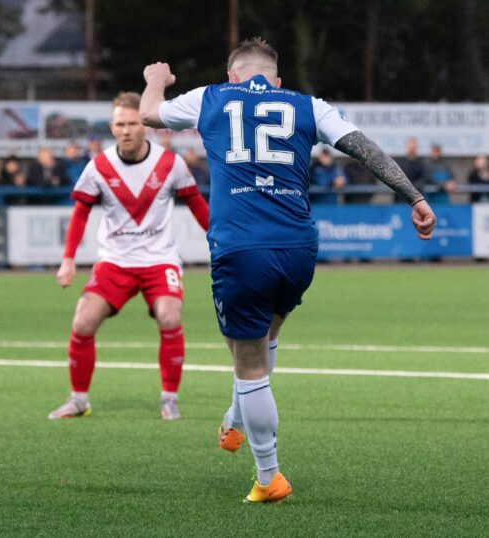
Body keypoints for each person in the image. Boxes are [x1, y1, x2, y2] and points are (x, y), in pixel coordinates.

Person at [140, 37, 435, 503]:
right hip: (298, 247)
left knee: (247, 357)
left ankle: (268, 476)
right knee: (264, 335)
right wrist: (414, 197)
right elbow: (364, 148)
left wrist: (155, 79)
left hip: (241, 248)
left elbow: (149, 114)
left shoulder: (211, 97)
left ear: (233, 75)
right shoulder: (306, 104)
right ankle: (235, 421)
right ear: (276, 80)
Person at [48, 91, 210, 423]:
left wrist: (219, 239)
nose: (126, 130)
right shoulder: (99, 166)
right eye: (120, 124)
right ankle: (78, 400)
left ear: (145, 125)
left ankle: (169, 398)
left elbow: (195, 203)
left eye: (133, 123)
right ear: (111, 126)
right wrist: (68, 259)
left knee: (170, 316)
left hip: (159, 260)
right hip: (115, 262)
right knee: (82, 321)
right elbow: (80, 212)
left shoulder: (170, 164)